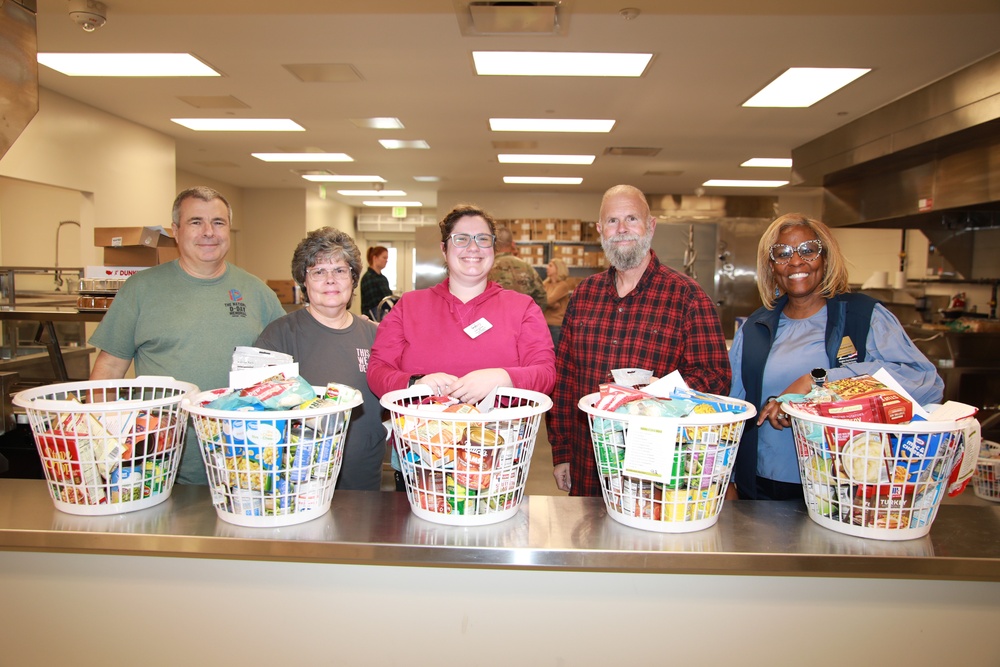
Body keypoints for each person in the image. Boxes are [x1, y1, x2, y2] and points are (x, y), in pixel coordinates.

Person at [729, 213, 944, 501]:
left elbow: (925, 380)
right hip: (760, 487)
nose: (796, 261)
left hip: (845, 489)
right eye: (782, 253)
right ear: (771, 266)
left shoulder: (864, 316)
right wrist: (727, 479)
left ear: (826, 257)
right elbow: (734, 408)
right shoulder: (755, 328)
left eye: (808, 250)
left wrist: (817, 381)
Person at [88, 186, 286, 484]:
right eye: (196, 222)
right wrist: (103, 440)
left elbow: (285, 369)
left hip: (245, 461)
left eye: (218, 223)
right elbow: (108, 370)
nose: (209, 232)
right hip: (158, 465)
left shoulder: (257, 291)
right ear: (176, 231)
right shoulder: (140, 290)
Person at [547, 185, 731, 497]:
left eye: (631, 218)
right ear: (599, 230)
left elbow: (716, 377)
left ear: (651, 225)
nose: (621, 230)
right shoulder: (584, 295)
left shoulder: (686, 296)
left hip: (653, 467)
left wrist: (662, 390)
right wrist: (562, 452)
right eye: (612, 221)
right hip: (587, 460)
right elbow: (565, 378)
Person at [367, 204, 556, 488]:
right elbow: (377, 371)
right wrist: (416, 383)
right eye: (461, 238)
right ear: (444, 249)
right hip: (421, 460)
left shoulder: (522, 308)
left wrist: (502, 378)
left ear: (494, 247)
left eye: (483, 239)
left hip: (496, 459)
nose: (473, 247)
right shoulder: (410, 306)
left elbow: (545, 374)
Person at [254, 228, 386, 491]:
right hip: (299, 479)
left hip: (363, 479)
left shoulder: (376, 336)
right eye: (318, 271)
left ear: (353, 278)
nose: (330, 280)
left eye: (339, 270)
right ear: (304, 281)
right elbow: (256, 409)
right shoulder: (280, 335)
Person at [488, 226, 548, 309]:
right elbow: (542, 297)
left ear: (493, 244)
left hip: (493, 319)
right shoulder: (527, 267)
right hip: (523, 318)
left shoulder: (487, 268)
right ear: (512, 244)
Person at [542, 257, 572, 347]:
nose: (547, 267)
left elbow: (547, 300)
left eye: (550, 266)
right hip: (544, 324)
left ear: (558, 268)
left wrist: (549, 303)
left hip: (556, 326)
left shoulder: (563, 285)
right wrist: (553, 305)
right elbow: (538, 300)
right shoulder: (545, 284)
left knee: (556, 354)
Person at [360, 245, 394, 321]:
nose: (386, 260)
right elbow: (375, 305)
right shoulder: (368, 278)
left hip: (384, 320)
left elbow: (389, 298)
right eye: (384, 257)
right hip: (372, 322)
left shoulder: (383, 278)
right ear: (375, 258)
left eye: (387, 258)